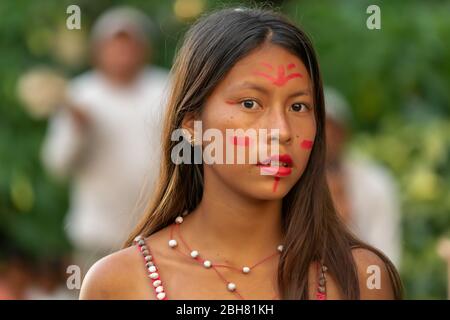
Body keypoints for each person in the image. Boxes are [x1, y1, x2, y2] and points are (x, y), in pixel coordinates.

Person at [80, 7, 402, 300]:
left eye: (298, 106)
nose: (282, 130)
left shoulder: (358, 279)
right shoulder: (120, 283)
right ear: (192, 125)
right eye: (250, 103)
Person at [41, 6, 170, 273]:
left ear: (144, 49)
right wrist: (78, 129)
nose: (122, 54)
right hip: (98, 235)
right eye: (115, 46)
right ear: (98, 51)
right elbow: (57, 165)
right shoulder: (80, 95)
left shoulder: (166, 89)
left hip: (157, 230)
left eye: (129, 46)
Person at [324, 87, 402, 267]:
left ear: (344, 133)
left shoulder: (375, 182)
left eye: (331, 129)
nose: (325, 138)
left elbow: (386, 256)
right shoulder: (288, 182)